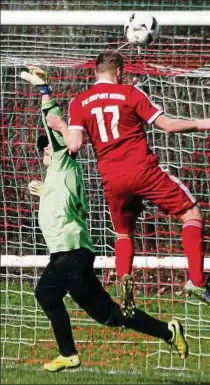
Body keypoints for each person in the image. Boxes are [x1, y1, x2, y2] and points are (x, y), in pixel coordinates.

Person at [22, 66, 189, 372]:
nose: (45, 150)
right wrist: (46, 193)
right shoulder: (56, 178)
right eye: (42, 149)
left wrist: (44, 90)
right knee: (105, 314)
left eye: (46, 146)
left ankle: (69, 354)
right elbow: (70, 205)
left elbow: (54, 124)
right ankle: (168, 332)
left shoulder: (63, 159)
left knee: (50, 294)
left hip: (71, 253)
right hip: (69, 253)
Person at [46, 52, 210, 316]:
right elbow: (167, 125)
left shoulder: (79, 102)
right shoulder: (130, 93)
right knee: (191, 214)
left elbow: (75, 145)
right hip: (143, 172)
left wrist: (62, 127)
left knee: (123, 234)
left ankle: (125, 287)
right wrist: (208, 124)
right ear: (119, 72)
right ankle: (197, 281)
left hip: (113, 180)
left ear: (95, 73)